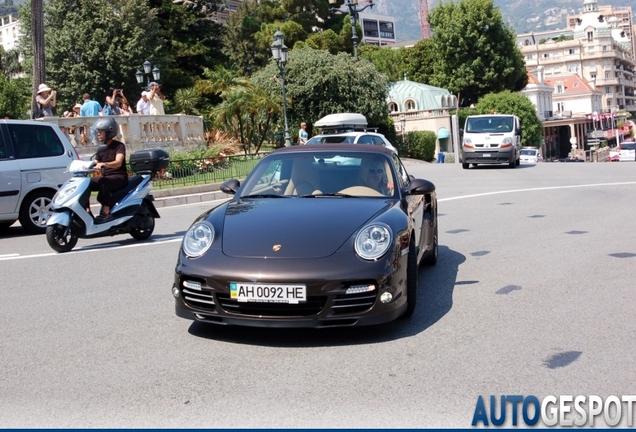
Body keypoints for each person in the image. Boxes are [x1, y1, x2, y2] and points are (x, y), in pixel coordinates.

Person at [89, 117, 128, 223]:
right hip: (106, 177)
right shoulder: (101, 147)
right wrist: (86, 166)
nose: (98, 134)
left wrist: (104, 164)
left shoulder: (119, 146)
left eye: (100, 131)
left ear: (109, 132)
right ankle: (87, 211)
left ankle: (106, 212)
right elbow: (96, 162)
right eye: (97, 132)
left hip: (119, 176)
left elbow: (118, 162)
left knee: (103, 181)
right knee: (85, 183)